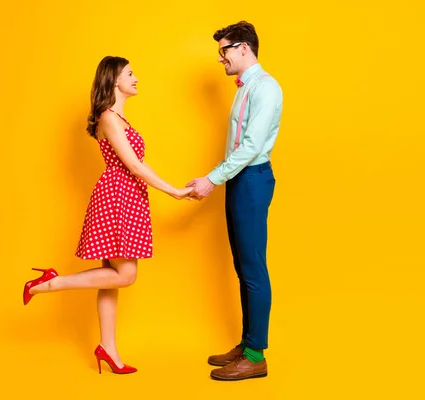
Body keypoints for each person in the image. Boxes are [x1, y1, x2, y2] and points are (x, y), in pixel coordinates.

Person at [22, 56, 193, 375]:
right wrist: (175, 191)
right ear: (114, 79)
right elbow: (135, 166)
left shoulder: (120, 119)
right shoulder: (109, 118)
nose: (136, 78)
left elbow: (137, 166)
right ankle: (50, 283)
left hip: (127, 196)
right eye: (130, 73)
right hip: (117, 197)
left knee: (112, 279)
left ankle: (108, 349)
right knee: (125, 275)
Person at [186, 21, 283, 381]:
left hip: (252, 181)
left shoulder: (267, 88)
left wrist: (212, 179)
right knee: (243, 267)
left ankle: (256, 355)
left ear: (244, 48)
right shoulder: (243, 88)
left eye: (223, 51)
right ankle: (247, 343)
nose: (220, 59)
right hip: (239, 181)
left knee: (254, 269)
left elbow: (252, 146)